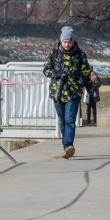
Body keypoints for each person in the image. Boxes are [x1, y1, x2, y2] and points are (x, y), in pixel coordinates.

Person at [43, 26, 94, 158]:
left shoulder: (80, 55)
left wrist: (90, 90)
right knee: (62, 120)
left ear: (73, 41)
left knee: (69, 119)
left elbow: (85, 74)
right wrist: (55, 73)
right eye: (64, 41)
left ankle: (68, 145)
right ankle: (66, 146)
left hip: (74, 92)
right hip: (57, 92)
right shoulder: (54, 54)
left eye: (69, 41)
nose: (67, 44)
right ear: (60, 41)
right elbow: (45, 70)